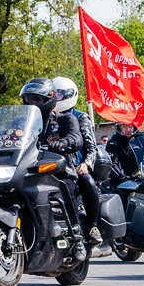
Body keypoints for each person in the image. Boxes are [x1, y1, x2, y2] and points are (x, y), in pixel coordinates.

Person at [51, 76, 102, 245]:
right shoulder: (46, 117)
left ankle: (93, 226)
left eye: (59, 95)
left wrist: (86, 164)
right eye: (53, 95)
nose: (56, 98)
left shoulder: (80, 117)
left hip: (75, 166)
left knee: (87, 181)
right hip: (51, 165)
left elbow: (91, 146)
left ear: (69, 96)